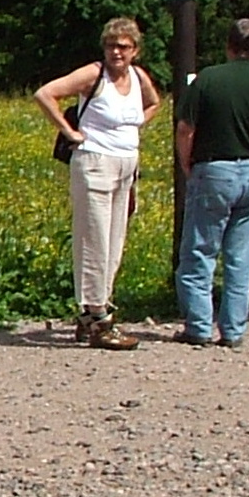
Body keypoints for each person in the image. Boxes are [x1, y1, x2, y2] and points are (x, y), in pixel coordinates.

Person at [34, 18, 162, 349]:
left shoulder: (138, 77)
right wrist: (70, 132)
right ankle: (97, 317)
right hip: (94, 162)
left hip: (125, 165)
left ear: (135, 50)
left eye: (123, 46)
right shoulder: (93, 74)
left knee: (115, 240)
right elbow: (46, 94)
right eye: (111, 45)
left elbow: (154, 103)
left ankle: (94, 309)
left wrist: (135, 125)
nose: (116, 52)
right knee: (94, 239)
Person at [170, 17, 249, 348]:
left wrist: (187, 164)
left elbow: (186, 128)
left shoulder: (209, 79)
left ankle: (198, 325)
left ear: (228, 45)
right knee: (241, 256)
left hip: (214, 169)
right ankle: (234, 329)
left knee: (199, 250)